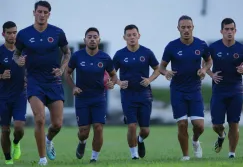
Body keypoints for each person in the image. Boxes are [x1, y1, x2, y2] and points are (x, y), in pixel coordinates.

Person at [13, 0, 71, 165]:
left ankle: (49, 139)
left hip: (53, 81)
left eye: (45, 12)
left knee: (57, 124)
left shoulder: (58, 32)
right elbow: (16, 54)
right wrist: (19, 61)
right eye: (39, 12)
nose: (42, 15)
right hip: (34, 81)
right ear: (34, 13)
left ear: (49, 14)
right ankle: (42, 158)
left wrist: (61, 69)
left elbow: (67, 53)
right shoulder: (24, 34)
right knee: (39, 118)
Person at [159, 15, 212, 161]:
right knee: (182, 124)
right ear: (178, 29)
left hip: (194, 90)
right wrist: (166, 72)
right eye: (183, 27)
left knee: (199, 126)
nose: (186, 30)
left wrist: (204, 69)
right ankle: (186, 156)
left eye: (189, 27)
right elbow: (161, 66)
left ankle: (195, 140)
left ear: (193, 27)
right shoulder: (171, 46)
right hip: (177, 90)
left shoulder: (201, 44)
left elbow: (208, 61)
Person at [64, 27, 117, 163]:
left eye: (95, 37)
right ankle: (82, 143)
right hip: (82, 98)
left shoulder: (105, 58)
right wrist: (73, 87)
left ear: (99, 40)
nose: (92, 39)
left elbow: (113, 76)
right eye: (89, 37)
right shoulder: (77, 56)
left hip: (99, 98)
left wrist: (112, 83)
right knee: (84, 131)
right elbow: (67, 73)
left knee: (98, 128)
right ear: (85, 40)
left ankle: (94, 158)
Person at [113, 24, 160, 159]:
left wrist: (150, 79)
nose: (132, 37)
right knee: (132, 126)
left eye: (134, 35)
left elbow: (158, 69)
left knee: (145, 130)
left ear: (139, 36)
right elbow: (111, 73)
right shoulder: (120, 54)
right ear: (124, 37)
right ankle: (134, 155)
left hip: (144, 95)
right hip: (128, 95)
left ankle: (140, 140)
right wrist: (119, 82)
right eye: (129, 35)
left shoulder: (147, 52)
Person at [205, 18, 243, 158]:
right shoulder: (214, 47)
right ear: (221, 31)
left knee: (234, 123)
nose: (229, 32)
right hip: (219, 91)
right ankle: (221, 135)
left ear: (235, 31)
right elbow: (205, 64)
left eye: (231, 29)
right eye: (226, 29)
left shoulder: (240, 48)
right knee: (216, 125)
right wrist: (211, 74)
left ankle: (231, 154)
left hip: (236, 90)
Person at [0, 21, 26, 165]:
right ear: (3, 34)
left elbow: (33, 68)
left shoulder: (23, 51)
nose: (12, 35)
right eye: (9, 33)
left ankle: (16, 142)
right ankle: (8, 159)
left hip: (20, 96)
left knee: (19, 127)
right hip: (3, 97)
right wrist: (1, 76)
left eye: (14, 32)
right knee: (5, 130)